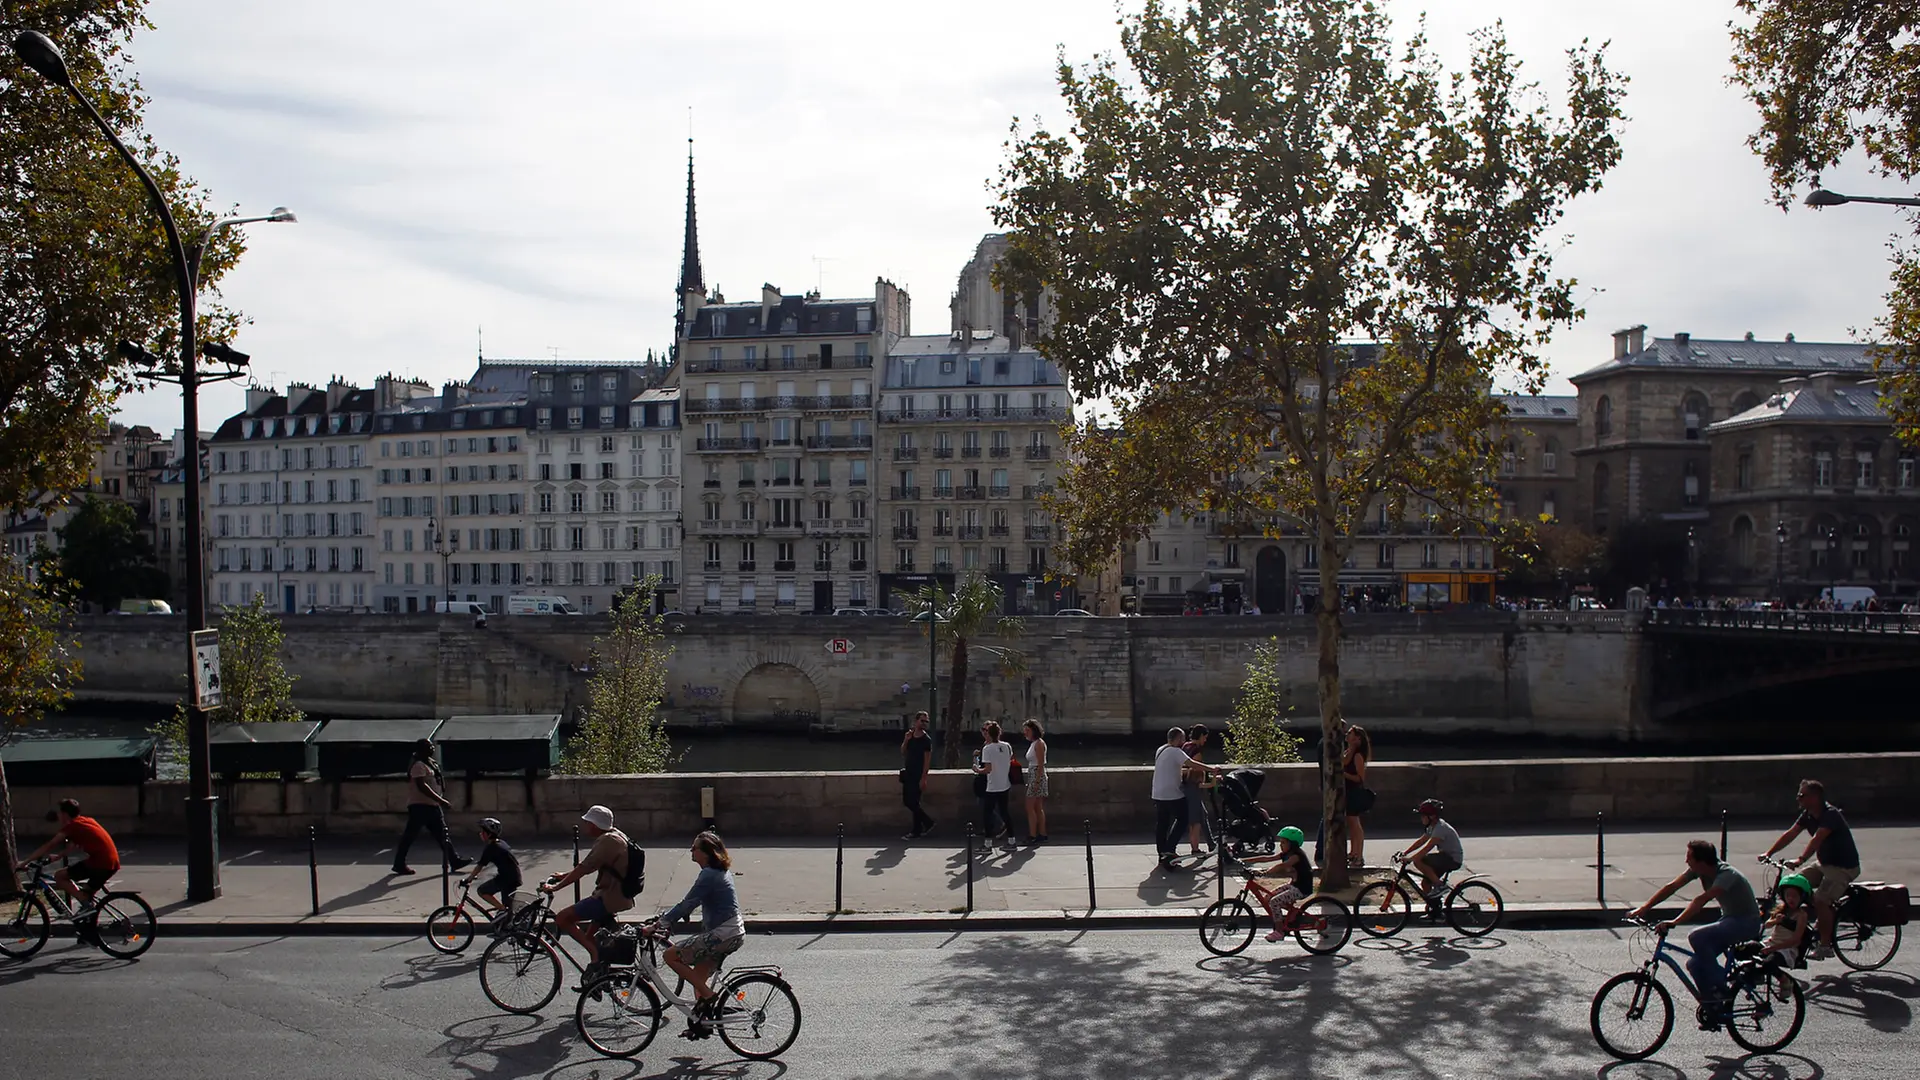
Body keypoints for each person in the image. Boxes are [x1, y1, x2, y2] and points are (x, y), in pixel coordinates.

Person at [1631, 840, 1761, 1027]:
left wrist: (1675, 922)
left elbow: (1701, 900)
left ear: (1702, 861)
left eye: (1689, 857)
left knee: (1696, 936)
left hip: (1747, 922)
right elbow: (1672, 887)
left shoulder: (1726, 874)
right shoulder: (1699, 870)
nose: (1686, 861)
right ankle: (1714, 1008)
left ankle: (1722, 987)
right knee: (1694, 964)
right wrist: (1644, 908)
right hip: (1729, 920)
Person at [1759, 778, 1861, 961]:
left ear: (1815, 797)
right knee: (1795, 885)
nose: (1798, 798)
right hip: (1824, 865)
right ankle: (1813, 923)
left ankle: (1825, 946)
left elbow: (1817, 839)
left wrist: (1800, 859)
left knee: (1821, 900)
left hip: (1843, 868)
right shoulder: (1808, 814)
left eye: (1801, 795)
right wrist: (1769, 853)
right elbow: (1791, 833)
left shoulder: (1831, 815)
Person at [657, 831, 745, 1038]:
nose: (691, 851)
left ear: (706, 853)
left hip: (723, 935)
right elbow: (699, 900)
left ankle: (708, 996)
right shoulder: (718, 871)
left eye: (694, 848)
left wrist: (661, 922)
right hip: (732, 932)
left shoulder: (709, 874)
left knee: (669, 955)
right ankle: (703, 1025)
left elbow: (688, 902)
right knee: (698, 979)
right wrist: (682, 914)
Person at [539, 804, 634, 985]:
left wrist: (556, 887)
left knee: (562, 918)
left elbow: (585, 868)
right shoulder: (617, 835)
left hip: (608, 898)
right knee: (589, 937)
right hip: (618, 895)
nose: (585, 826)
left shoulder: (608, 841)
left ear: (595, 824)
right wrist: (564, 875)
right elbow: (588, 866)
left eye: (588, 822)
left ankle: (596, 958)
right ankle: (599, 977)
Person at [18, 798, 120, 914]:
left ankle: (87, 905)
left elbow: (49, 845)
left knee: (60, 876)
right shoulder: (86, 821)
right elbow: (72, 845)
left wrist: (24, 863)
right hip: (111, 862)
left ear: (65, 814)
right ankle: (88, 916)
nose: (58, 816)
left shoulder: (73, 826)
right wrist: (58, 857)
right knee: (86, 893)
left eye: (60, 813)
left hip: (100, 863)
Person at [392, 739, 469, 876]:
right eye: (429, 747)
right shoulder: (418, 765)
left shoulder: (429, 763)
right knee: (409, 836)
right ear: (421, 749)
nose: (433, 749)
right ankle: (399, 864)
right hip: (420, 806)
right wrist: (440, 800)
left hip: (432, 805)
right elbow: (422, 786)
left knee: (442, 835)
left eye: (432, 746)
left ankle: (454, 860)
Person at [1152, 727, 1223, 870]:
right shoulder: (1176, 751)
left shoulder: (1160, 750)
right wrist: (1212, 769)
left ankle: (1162, 853)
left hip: (1157, 793)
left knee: (1162, 824)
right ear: (1178, 739)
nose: (1184, 742)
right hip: (1172, 793)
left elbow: (1176, 767)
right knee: (1183, 818)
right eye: (1182, 739)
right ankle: (1169, 849)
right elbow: (1193, 764)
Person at [1243, 825, 1314, 941]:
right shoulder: (1286, 854)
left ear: (1293, 844)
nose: (1280, 845)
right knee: (1267, 898)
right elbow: (1266, 858)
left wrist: (1265, 872)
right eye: (1280, 842)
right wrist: (1244, 860)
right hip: (1294, 886)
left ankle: (1279, 931)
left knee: (1274, 902)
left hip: (1302, 889)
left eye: (1284, 842)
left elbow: (1283, 865)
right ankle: (1292, 913)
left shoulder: (1296, 856)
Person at [1394, 798, 1463, 914]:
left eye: (1423, 816)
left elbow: (1428, 847)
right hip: (1444, 857)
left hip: (1452, 859)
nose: (1421, 818)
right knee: (1426, 883)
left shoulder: (1441, 828)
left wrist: (1411, 859)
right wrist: (1405, 852)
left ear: (1432, 816)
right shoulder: (1433, 826)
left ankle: (1440, 886)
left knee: (1419, 860)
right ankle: (1435, 910)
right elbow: (1421, 841)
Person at [461, 817, 522, 926]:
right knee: (508, 909)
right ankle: (505, 925)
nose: (480, 834)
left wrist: (469, 879)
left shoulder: (491, 848)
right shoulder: (500, 843)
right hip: (512, 876)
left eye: (483, 832)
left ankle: (502, 910)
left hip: (506, 878)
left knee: (482, 891)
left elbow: (479, 866)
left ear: (489, 834)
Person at [974, 721, 1014, 851]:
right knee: (1005, 813)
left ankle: (988, 844)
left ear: (989, 734)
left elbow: (988, 769)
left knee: (988, 814)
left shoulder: (987, 749)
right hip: (1004, 784)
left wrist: (977, 770)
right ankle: (1012, 841)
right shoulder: (1007, 746)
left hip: (992, 786)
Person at [1760, 874, 1812, 969]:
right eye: (1788, 895)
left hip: (1786, 950)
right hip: (1771, 943)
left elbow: (1795, 940)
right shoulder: (1781, 910)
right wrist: (1776, 921)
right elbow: (1767, 925)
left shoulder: (1801, 915)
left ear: (1802, 897)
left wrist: (1772, 948)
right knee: (1744, 950)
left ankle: (1783, 978)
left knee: (1768, 963)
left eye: (1794, 896)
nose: (1791, 899)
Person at [900, 711, 935, 840]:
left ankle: (918, 829)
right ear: (916, 721)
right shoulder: (910, 736)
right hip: (908, 773)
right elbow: (903, 752)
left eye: (926, 721)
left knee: (914, 802)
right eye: (922, 721)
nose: (924, 723)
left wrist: (924, 778)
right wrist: (906, 740)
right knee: (908, 802)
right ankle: (925, 824)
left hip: (918, 774)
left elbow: (927, 760)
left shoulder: (926, 740)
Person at [1181, 725, 1214, 857]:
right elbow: (1197, 770)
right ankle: (1195, 848)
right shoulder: (1196, 751)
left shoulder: (1185, 746)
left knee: (1203, 814)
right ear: (1200, 736)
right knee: (1195, 820)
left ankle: (1211, 843)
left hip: (1185, 785)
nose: (1205, 740)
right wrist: (1210, 778)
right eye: (1205, 737)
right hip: (1193, 787)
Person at [1344, 725, 1374, 869]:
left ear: (1357, 738)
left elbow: (1360, 778)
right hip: (1347, 792)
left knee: (1355, 824)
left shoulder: (1358, 756)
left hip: (1354, 792)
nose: (1347, 734)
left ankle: (1359, 855)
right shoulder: (1349, 752)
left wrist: (1343, 774)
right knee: (1351, 824)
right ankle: (1353, 852)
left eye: (1350, 733)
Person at [1021, 719, 1049, 846]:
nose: (1025, 733)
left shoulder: (1039, 744)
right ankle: (1042, 834)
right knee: (1037, 807)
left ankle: (1032, 835)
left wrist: (1036, 781)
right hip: (1035, 774)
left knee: (1030, 806)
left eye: (1027, 730)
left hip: (1037, 775)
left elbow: (1040, 764)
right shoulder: (1034, 743)